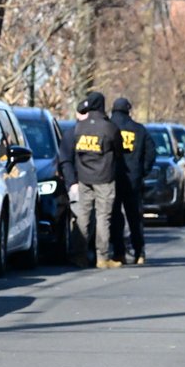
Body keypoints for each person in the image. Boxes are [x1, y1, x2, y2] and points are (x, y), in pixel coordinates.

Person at [59, 91, 123, 269]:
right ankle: (102, 257)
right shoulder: (109, 128)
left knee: (83, 216)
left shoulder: (78, 129)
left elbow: (70, 154)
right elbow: (119, 151)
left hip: (84, 178)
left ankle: (79, 255)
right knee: (103, 216)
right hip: (105, 178)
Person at [108, 97, 157, 264]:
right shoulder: (139, 129)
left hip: (112, 178)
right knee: (134, 217)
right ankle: (139, 252)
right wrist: (143, 171)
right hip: (133, 179)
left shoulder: (108, 127)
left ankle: (119, 253)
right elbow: (151, 152)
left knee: (115, 217)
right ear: (128, 110)